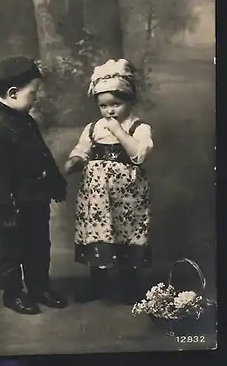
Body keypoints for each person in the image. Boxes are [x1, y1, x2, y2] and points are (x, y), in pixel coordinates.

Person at [0, 57, 68, 315]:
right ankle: (13, 293)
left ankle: (39, 286)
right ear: (13, 93)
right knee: (11, 248)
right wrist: (4, 210)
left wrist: (55, 181)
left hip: (35, 198)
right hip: (11, 203)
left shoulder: (27, 121)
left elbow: (43, 154)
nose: (36, 97)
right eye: (33, 92)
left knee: (39, 245)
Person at [64, 59, 154, 304]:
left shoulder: (138, 127)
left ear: (129, 101)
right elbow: (83, 148)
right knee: (99, 232)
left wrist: (118, 131)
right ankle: (98, 283)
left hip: (127, 195)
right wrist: (76, 159)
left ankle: (129, 284)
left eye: (116, 104)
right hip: (98, 195)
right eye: (104, 106)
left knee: (126, 232)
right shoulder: (93, 128)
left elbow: (139, 154)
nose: (110, 111)